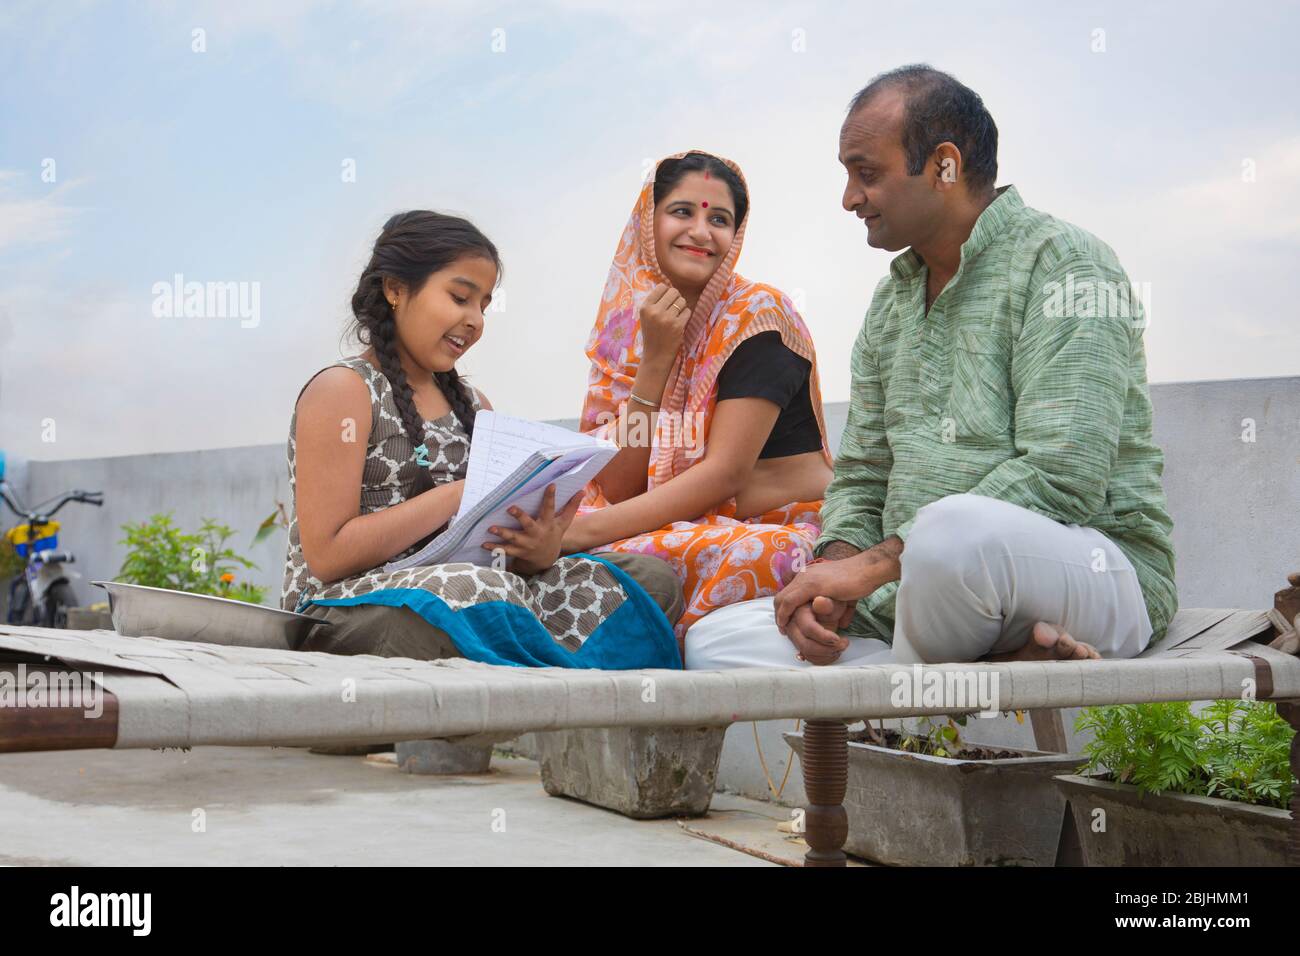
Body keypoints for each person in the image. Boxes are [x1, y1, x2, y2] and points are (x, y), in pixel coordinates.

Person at [685, 66, 1177, 670]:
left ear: (944, 166)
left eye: (867, 174)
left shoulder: (1068, 265)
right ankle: (976, 669)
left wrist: (871, 567)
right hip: (913, 592)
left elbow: (1064, 475)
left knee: (953, 538)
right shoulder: (891, 303)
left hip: (1088, 568)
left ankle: (934, 682)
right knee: (717, 640)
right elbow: (864, 475)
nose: (849, 198)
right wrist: (833, 570)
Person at [281, 210, 682, 670]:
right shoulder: (345, 391)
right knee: (461, 604)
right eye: (459, 297)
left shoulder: (474, 405)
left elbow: (501, 557)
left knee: (647, 582)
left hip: (475, 588)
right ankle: (524, 668)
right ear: (395, 289)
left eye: (484, 306)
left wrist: (537, 550)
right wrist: (459, 497)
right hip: (353, 608)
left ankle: (520, 671)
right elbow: (328, 557)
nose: (474, 320)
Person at [561, 150, 836, 656]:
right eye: (683, 211)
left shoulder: (756, 315)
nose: (702, 232)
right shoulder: (631, 331)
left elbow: (724, 475)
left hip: (782, 527)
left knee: (586, 557)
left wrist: (579, 534)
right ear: (649, 222)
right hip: (691, 525)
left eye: (720, 219)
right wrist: (655, 362)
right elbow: (620, 484)